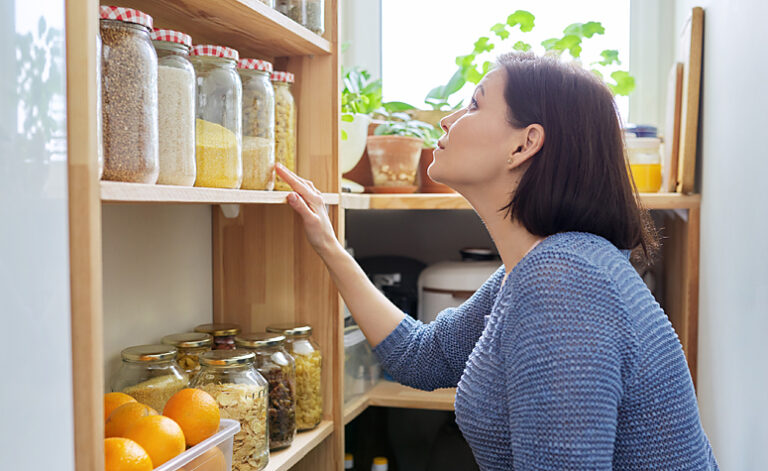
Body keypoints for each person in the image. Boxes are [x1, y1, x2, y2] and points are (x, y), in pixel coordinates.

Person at [275, 52, 718, 470]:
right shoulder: (536, 267)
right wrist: (329, 245)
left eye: (473, 105)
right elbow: (422, 357)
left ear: (525, 144)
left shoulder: (562, 283)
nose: (447, 120)